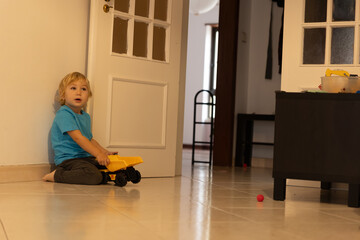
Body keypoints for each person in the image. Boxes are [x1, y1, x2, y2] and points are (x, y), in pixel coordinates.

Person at [42, 72, 116, 184]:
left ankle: (100, 175)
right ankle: (57, 175)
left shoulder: (85, 116)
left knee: (107, 167)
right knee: (94, 176)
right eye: (73, 88)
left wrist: (104, 152)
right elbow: (78, 138)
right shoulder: (64, 114)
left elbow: (89, 139)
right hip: (69, 160)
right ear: (63, 95)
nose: (78, 92)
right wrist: (97, 154)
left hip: (85, 158)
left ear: (88, 96)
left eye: (83, 89)